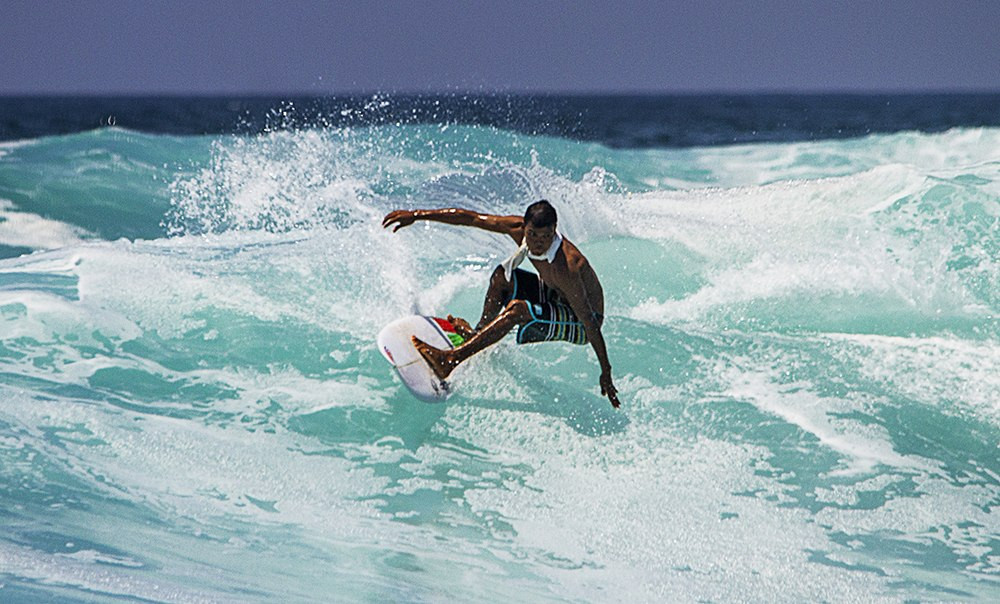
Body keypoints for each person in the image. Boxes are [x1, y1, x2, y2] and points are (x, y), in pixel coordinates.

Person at [382, 200, 621, 408]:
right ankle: (477, 337)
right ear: (524, 227)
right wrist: (416, 215)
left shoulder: (567, 267)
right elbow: (471, 218)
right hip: (555, 294)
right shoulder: (517, 229)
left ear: (554, 230)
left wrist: (606, 371)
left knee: (517, 309)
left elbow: (589, 321)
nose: (538, 243)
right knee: (501, 278)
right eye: (532, 235)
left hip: (581, 322)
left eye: (545, 236)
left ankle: (451, 360)